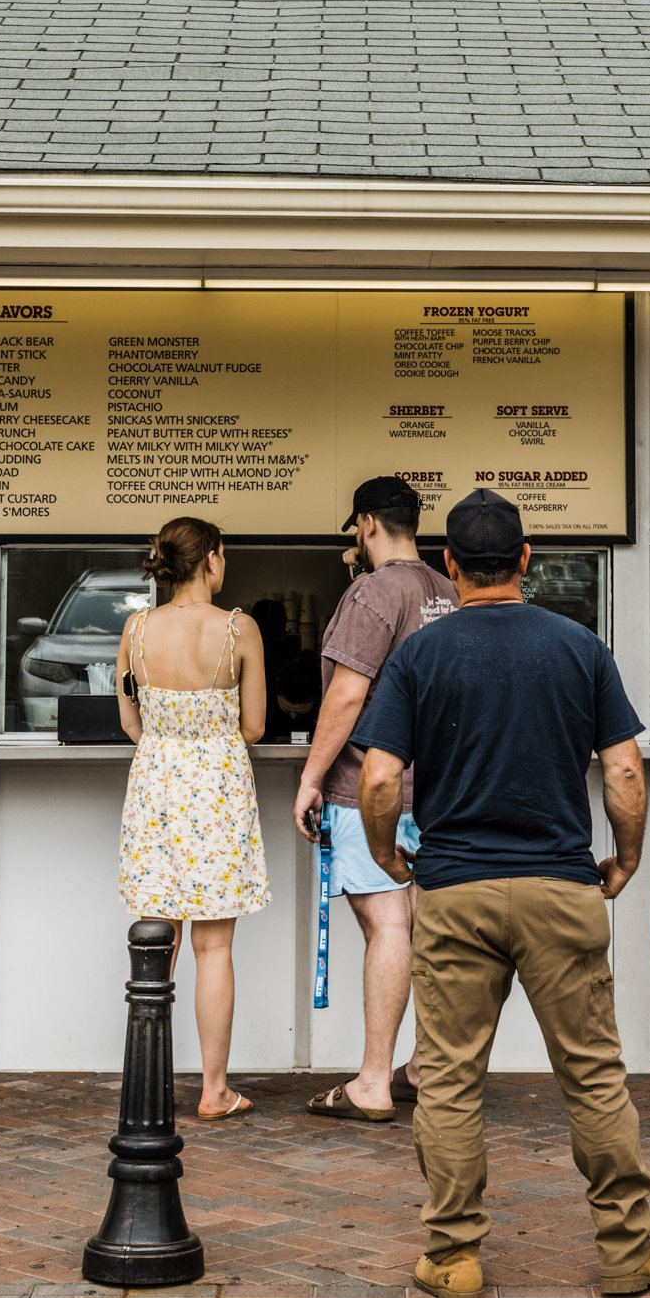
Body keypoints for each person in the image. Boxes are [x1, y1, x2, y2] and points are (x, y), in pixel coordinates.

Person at [357, 487, 650, 1298]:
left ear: (451, 566)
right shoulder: (578, 646)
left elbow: (384, 775)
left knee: (453, 1079)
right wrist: (626, 860)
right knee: (594, 1076)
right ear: (528, 561)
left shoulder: (419, 657)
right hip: (561, 885)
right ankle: (626, 1251)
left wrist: (388, 852)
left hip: (454, 890)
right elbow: (626, 771)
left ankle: (455, 1258)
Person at [293, 475, 456, 1122]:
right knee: (425, 929)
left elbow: (347, 694)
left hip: (373, 791)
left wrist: (310, 777)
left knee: (387, 927)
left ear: (365, 524)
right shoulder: (447, 590)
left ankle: (371, 1081)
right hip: (438, 791)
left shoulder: (371, 592)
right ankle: (419, 1065)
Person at [114, 515, 269, 1121]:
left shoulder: (136, 628)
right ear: (210, 559)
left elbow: (129, 722)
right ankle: (213, 1090)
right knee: (214, 946)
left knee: (157, 944)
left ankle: (150, 1083)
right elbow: (254, 726)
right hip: (219, 793)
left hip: (155, 787)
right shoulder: (239, 631)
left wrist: (168, 741)